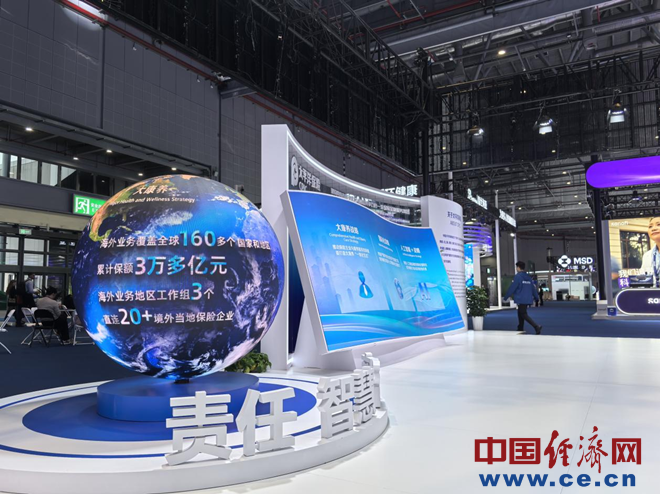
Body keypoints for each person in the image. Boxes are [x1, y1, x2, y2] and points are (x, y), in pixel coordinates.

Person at [504, 261, 543, 335]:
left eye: (516, 267)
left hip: (520, 298)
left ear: (518, 267)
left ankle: (536, 326)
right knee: (520, 312)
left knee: (523, 313)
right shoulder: (528, 277)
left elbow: (513, 287)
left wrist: (506, 297)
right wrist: (536, 297)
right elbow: (533, 288)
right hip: (527, 298)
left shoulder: (518, 277)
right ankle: (520, 327)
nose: (516, 269)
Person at [640, 217, 660, 286]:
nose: (653, 229)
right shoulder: (647, 256)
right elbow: (642, 280)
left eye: (659, 224)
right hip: (653, 292)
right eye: (650, 226)